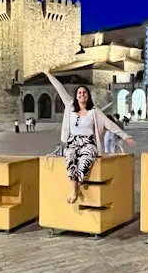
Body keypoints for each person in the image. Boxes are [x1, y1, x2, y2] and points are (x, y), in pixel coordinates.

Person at [44, 69, 134, 204]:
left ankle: (75, 190)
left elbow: (109, 124)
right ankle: (75, 190)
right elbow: (59, 88)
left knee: (84, 162)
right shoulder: (70, 106)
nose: (82, 94)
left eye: (84, 92)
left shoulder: (94, 112)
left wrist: (125, 136)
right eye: (79, 92)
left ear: (88, 96)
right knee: (70, 158)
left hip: (89, 143)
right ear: (76, 96)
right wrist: (48, 74)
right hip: (73, 142)